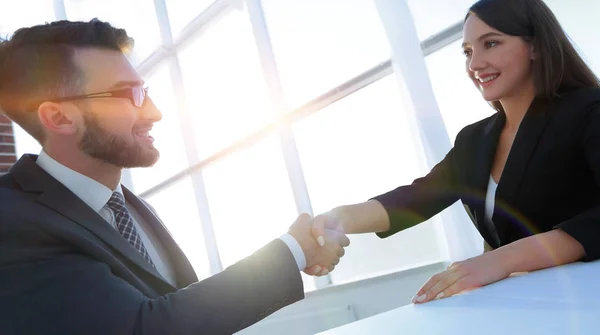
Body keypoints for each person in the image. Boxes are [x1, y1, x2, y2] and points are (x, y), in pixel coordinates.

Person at [0, 20, 349, 334]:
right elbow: (143, 327)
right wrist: (294, 252)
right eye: (129, 95)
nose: (154, 112)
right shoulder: (11, 220)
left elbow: (172, 301)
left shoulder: (126, 205)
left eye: (145, 91)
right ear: (60, 119)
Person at [310, 0, 600, 302]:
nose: (474, 65)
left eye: (491, 44)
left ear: (536, 46)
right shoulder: (475, 139)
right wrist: (338, 218)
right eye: (468, 52)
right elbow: (416, 199)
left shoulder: (589, 110)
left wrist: (501, 260)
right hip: (528, 302)